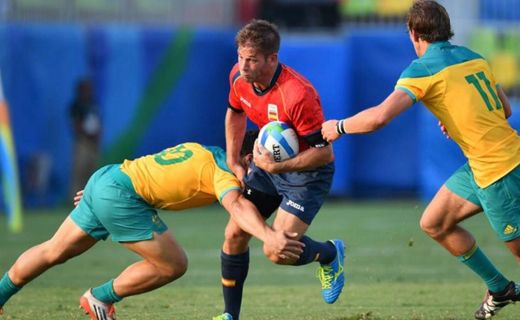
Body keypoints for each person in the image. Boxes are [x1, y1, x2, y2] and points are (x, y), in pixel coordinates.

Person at [322, 1, 520, 319]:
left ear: (414, 33)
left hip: (500, 171)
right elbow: (505, 110)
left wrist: (339, 127)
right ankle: (499, 288)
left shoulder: (423, 68)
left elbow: (378, 118)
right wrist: (458, 118)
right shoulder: (474, 56)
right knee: (434, 223)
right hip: (484, 164)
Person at [0, 133, 304, 320]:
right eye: (266, 164)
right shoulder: (223, 173)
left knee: (53, 250)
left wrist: (100, 191)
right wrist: (269, 235)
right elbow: (237, 207)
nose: (270, 173)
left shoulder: (207, 150)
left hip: (109, 176)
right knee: (174, 264)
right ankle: (100, 297)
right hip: (120, 194)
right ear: (248, 157)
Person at [214, 19, 344, 320]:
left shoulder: (298, 94)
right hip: (268, 165)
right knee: (234, 232)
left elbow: (323, 155)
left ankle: (329, 254)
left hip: (307, 175)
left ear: (272, 59)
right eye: (240, 57)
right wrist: (235, 159)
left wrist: (277, 165)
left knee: (276, 252)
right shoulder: (238, 77)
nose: (243, 66)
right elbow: (234, 113)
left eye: (252, 60)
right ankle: (229, 315)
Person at [69, 78, 102, 198]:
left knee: (92, 172)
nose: (88, 92)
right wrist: (86, 135)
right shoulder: (76, 105)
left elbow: (98, 122)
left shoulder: (93, 104)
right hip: (82, 142)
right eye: (85, 89)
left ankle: (91, 198)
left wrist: (97, 136)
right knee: (79, 172)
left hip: (93, 142)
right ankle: (74, 199)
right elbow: (76, 124)